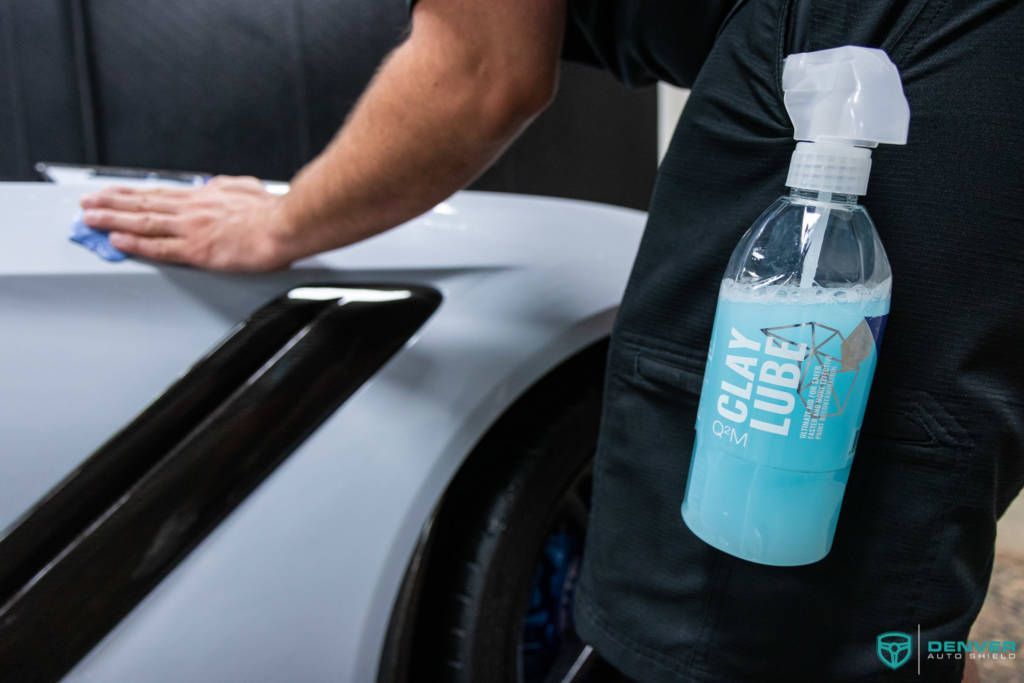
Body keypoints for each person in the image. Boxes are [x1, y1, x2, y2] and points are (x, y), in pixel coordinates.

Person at [80, 1, 1021, 681]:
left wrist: (279, 228)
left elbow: (483, 71)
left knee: (729, 617)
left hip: (893, 57)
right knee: (878, 562)